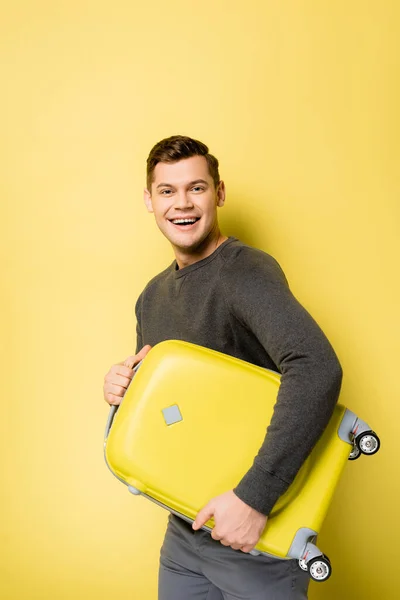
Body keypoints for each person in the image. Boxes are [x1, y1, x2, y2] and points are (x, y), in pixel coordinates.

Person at [103, 135, 343, 600]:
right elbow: (169, 407)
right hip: (183, 533)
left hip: (252, 538)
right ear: (149, 201)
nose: (183, 204)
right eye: (167, 191)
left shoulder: (244, 272)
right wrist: (124, 390)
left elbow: (316, 368)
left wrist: (254, 499)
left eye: (197, 188)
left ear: (220, 193)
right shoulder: (152, 296)